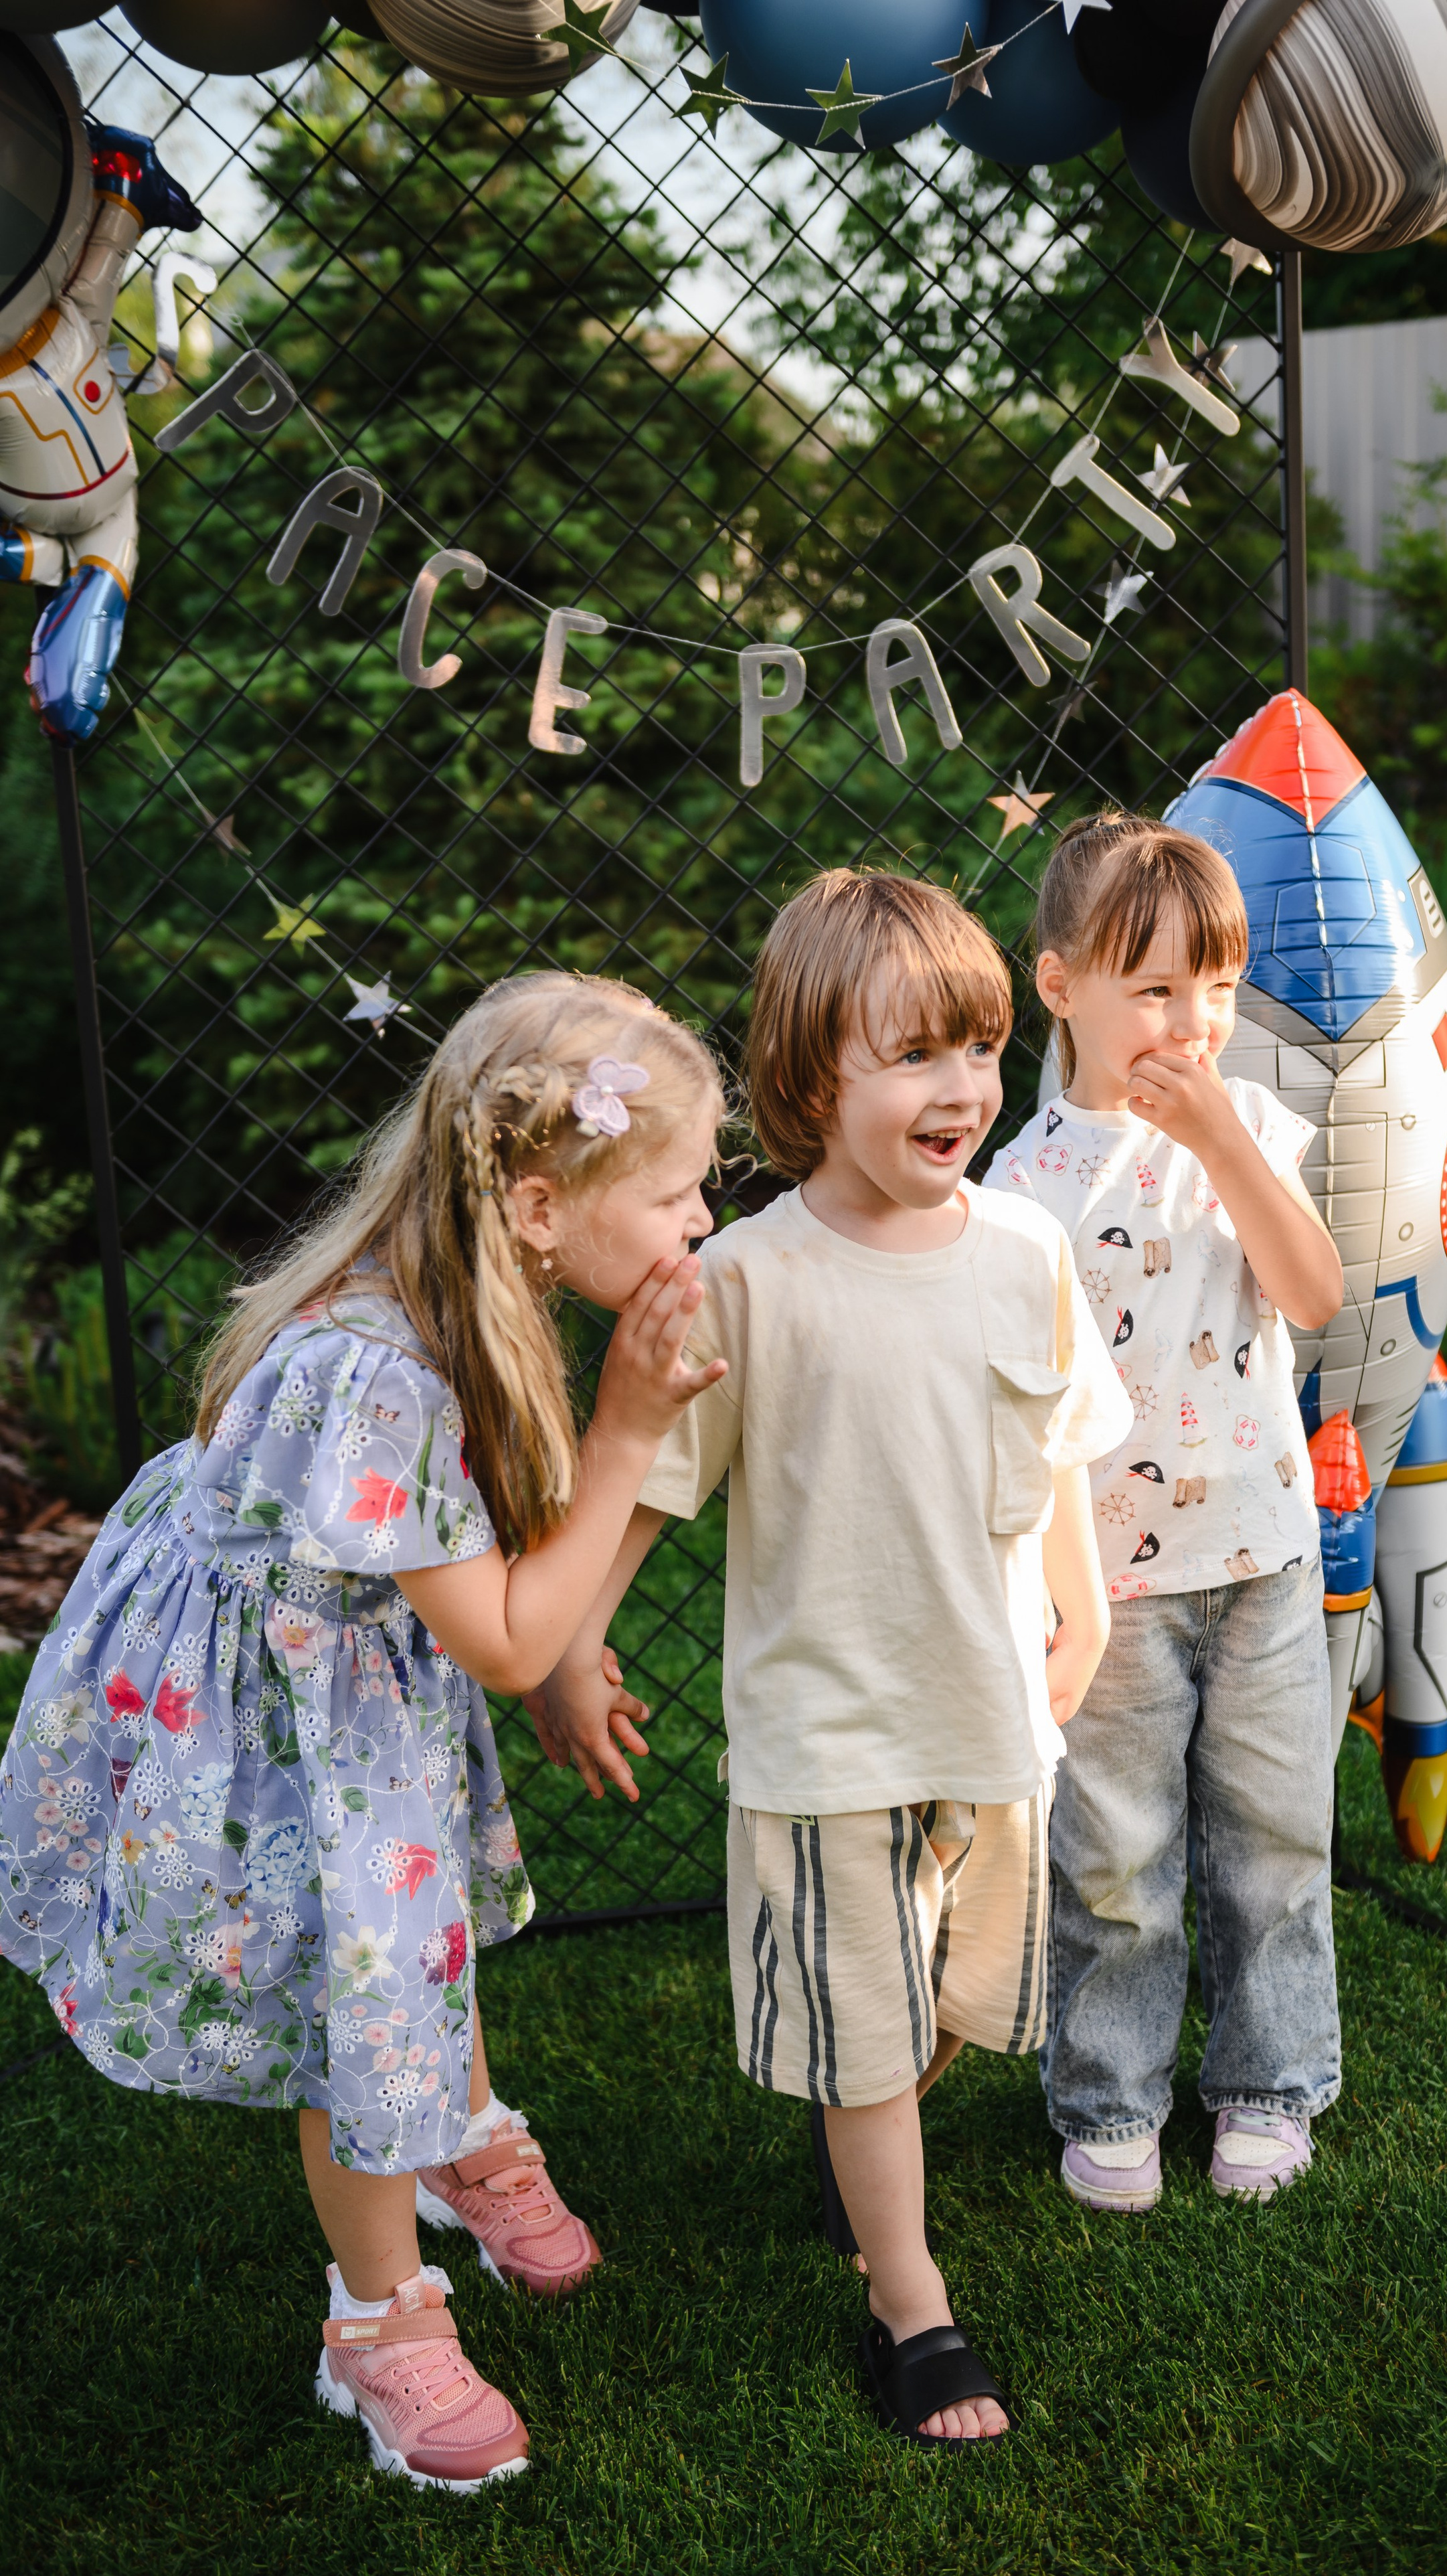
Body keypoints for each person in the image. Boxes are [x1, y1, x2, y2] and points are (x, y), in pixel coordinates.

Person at [0, 973, 727, 2492]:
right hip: (274, 1713)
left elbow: (497, 1570)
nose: (702, 1218)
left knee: (422, 1930)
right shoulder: (374, 1374)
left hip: (345, 1669)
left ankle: (456, 2124)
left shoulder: (461, 1274)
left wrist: (553, 1654)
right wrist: (629, 1435)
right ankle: (376, 2320)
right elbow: (509, 1621)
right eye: (675, 1190)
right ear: (540, 1202)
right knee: (365, 1988)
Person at [528, 872, 1131, 2449]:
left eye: (982, 1050)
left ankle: (864, 2132)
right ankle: (909, 2300)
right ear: (812, 1082)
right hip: (824, 1730)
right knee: (865, 2022)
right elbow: (652, 1474)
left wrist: (1083, 1602)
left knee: (947, 2004)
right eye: (915, 1056)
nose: (961, 1091)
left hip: (988, 1705)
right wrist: (568, 1645)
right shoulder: (748, 1279)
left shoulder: (1022, 1248)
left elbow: (1058, 1437)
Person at [986, 811, 1347, 2215]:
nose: (1189, 1019)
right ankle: (1109, 2097)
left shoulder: (1247, 1121)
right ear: (1057, 983)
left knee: (1271, 1834)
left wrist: (1221, 1141)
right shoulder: (1020, 1191)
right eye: (1151, 987)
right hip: (1113, 1582)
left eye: (1213, 986)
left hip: (1257, 1554)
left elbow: (1310, 1296)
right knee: (1118, 1857)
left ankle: (1266, 2086)